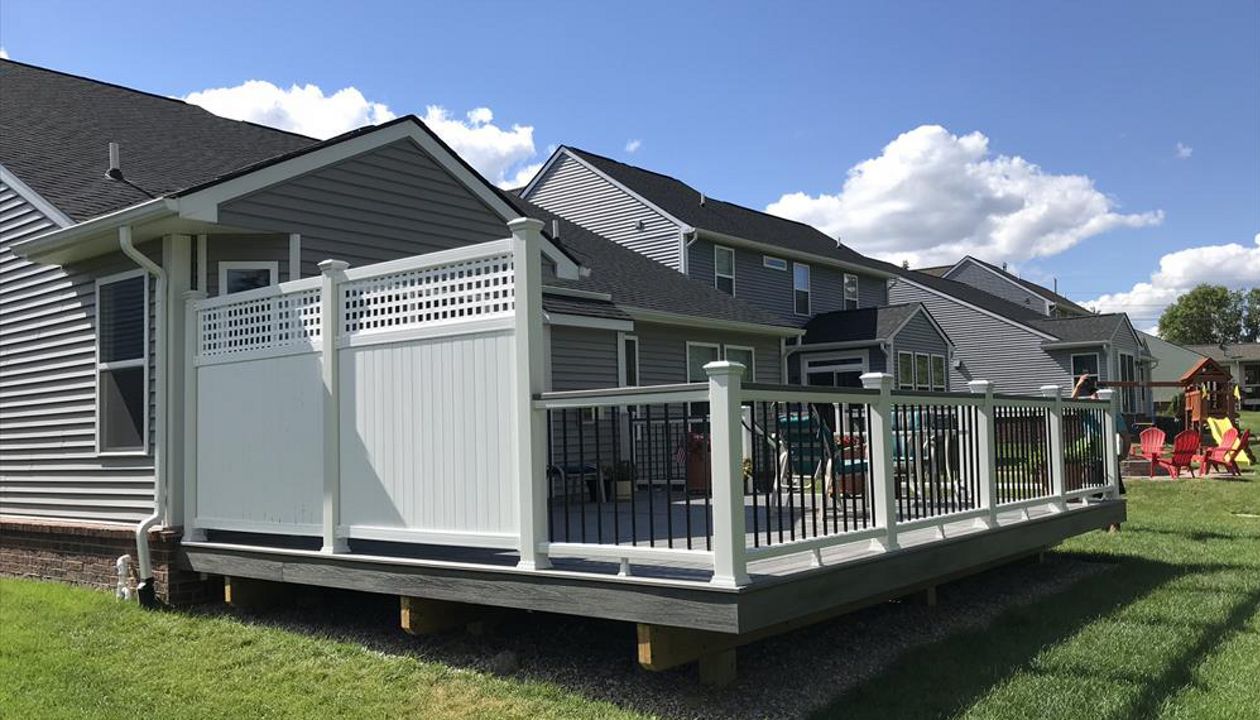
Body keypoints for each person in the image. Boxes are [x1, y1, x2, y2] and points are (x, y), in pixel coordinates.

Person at [1072, 374, 1128, 532]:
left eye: (1097, 393)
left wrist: (1123, 454)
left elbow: (1125, 436)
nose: (1095, 396)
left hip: (1109, 457)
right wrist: (1078, 386)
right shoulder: (1087, 412)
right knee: (1093, 493)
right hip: (1092, 456)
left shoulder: (1113, 414)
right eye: (1093, 393)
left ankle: (1114, 524)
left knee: (1112, 491)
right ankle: (1102, 523)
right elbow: (1069, 403)